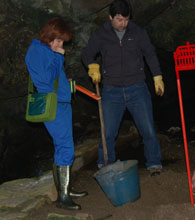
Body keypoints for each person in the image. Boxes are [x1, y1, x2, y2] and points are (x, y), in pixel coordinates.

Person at [81, 0, 164, 176]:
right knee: (108, 132)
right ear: (110, 17)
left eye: (126, 20)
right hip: (112, 91)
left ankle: (154, 163)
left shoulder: (137, 32)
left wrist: (157, 76)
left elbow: (149, 53)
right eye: (119, 20)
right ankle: (105, 164)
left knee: (148, 129)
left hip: (137, 88)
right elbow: (87, 53)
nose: (123, 24)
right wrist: (92, 65)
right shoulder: (101, 35)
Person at [25, 17, 87, 210]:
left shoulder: (45, 50)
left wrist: (64, 81)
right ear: (50, 35)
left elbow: (53, 76)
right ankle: (62, 197)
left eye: (62, 42)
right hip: (53, 106)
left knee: (63, 146)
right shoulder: (36, 51)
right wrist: (59, 56)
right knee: (65, 146)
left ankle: (65, 190)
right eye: (59, 40)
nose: (61, 45)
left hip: (61, 103)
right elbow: (45, 79)